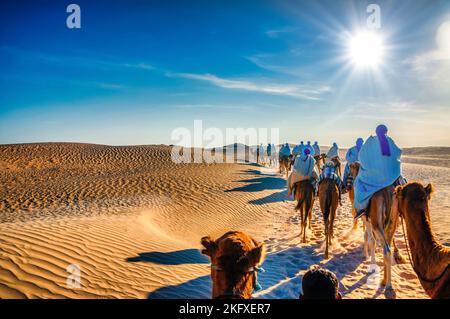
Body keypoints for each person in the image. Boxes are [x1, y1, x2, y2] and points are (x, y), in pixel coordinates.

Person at [354, 125, 405, 219]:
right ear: (386, 132)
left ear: (376, 131)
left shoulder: (370, 142)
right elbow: (398, 152)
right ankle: (404, 209)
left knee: (357, 183)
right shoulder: (389, 140)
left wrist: (369, 165)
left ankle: (361, 208)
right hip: (391, 176)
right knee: (403, 183)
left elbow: (361, 156)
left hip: (373, 176)